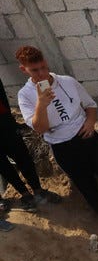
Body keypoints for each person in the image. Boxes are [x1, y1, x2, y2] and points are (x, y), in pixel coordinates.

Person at [15, 45, 98, 234]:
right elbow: (40, 128)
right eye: (35, 70)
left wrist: (90, 122)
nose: (42, 73)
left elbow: (90, 105)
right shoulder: (25, 95)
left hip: (87, 136)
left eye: (43, 67)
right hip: (62, 145)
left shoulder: (67, 81)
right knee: (86, 185)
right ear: (23, 69)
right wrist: (41, 104)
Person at [1, 77, 60, 213]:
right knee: (3, 165)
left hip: (4, 123)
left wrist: (9, 120)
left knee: (22, 156)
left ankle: (38, 190)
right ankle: (25, 195)